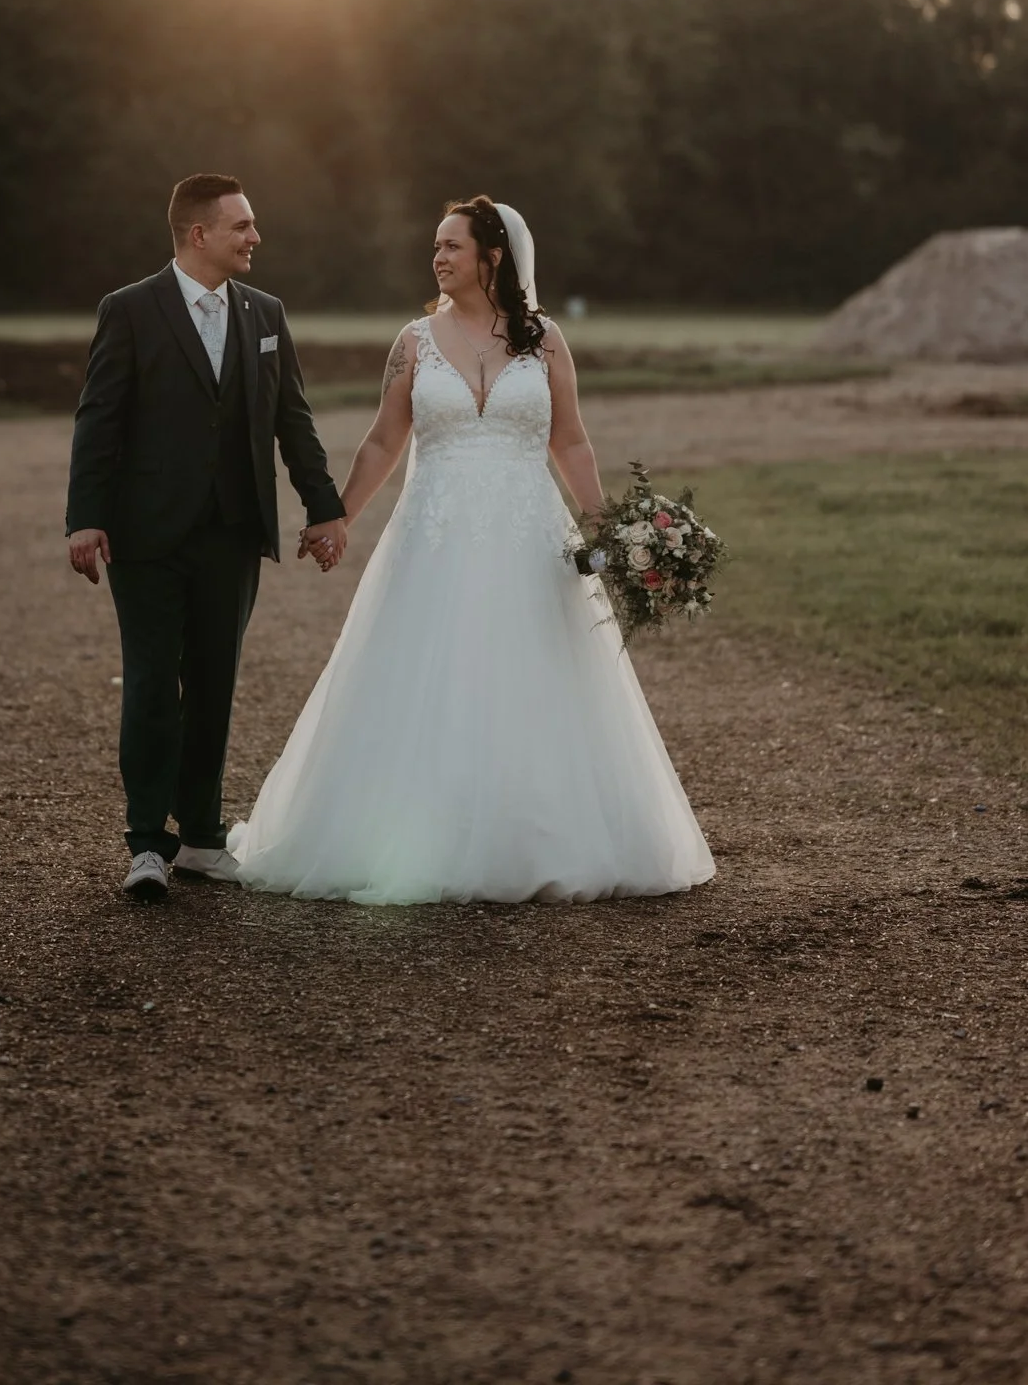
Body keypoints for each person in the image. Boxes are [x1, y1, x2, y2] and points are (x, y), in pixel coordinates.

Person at [230, 196, 715, 905]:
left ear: (492, 258)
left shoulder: (544, 340)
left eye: (451, 246)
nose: (438, 257)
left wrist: (608, 529)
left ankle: (535, 836)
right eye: (435, 246)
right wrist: (338, 518)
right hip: (434, 538)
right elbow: (383, 441)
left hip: (529, 538)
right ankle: (411, 834)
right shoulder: (413, 341)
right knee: (425, 678)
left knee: (536, 677)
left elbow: (571, 441)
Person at [65, 174, 346, 903]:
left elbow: (292, 419)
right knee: (152, 683)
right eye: (241, 226)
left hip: (233, 532)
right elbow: (99, 419)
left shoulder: (264, 313)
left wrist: (324, 508)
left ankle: (200, 837)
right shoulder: (130, 309)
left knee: (214, 685)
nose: (255, 237)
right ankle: (146, 844)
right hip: (147, 534)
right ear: (199, 234)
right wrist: (84, 517)